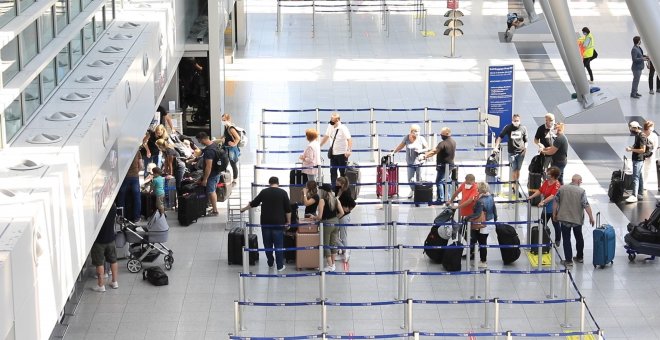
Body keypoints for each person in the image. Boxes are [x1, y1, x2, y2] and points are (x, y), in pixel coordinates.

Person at [240, 177, 292, 271]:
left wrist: (244, 209)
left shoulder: (264, 192)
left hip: (265, 222)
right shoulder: (283, 192)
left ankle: (270, 262)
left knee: (267, 244)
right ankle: (280, 266)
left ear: (269, 183)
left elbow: (254, 203)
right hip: (278, 223)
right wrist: (288, 221)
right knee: (278, 245)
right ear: (278, 183)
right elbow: (288, 210)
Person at [553, 174, 595, 267]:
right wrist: (591, 217)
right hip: (577, 219)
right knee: (579, 237)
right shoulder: (581, 191)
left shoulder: (562, 188)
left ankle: (568, 260)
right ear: (579, 181)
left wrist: (554, 213)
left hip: (564, 218)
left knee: (566, 239)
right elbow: (586, 205)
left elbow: (556, 201)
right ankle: (579, 257)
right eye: (581, 181)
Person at [391, 124, 429, 198]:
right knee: (410, 179)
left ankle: (418, 193)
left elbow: (427, 148)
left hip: (419, 162)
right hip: (410, 162)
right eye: (415, 131)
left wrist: (421, 150)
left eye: (418, 131)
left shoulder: (421, 138)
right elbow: (401, 146)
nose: (417, 133)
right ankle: (413, 190)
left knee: (419, 178)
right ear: (411, 131)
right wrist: (394, 151)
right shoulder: (407, 138)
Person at [493, 114, 527, 194]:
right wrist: (496, 146)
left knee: (518, 171)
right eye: (514, 120)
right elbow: (500, 137)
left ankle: (515, 185)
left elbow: (526, 140)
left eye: (517, 120)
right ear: (512, 120)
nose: (516, 122)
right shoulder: (508, 127)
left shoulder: (523, 128)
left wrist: (525, 148)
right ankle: (515, 187)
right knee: (513, 170)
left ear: (520, 120)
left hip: (521, 153)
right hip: (512, 152)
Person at [465, 182, 497, 268]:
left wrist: (467, 217)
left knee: (482, 242)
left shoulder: (480, 201)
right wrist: (495, 219)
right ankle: (480, 258)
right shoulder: (490, 197)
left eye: (478, 188)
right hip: (490, 221)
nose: (477, 189)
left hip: (483, 224)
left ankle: (483, 261)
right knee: (483, 241)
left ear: (480, 189)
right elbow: (494, 209)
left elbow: (477, 214)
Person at [196, 131, 229, 215]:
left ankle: (215, 211)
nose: (200, 142)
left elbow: (208, 166)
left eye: (199, 141)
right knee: (212, 190)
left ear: (203, 139)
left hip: (212, 174)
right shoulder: (213, 145)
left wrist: (205, 179)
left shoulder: (209, 152)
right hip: (217, 172)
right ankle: (213, 208)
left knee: (211, 191)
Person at [528, 166, 562, 245]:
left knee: (556, 225)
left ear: (553, 176)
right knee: (542, 224)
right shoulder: (546, 182)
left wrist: (543, 202)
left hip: (554, 209)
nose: (547, 175)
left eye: (549, 174)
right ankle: (542, 239)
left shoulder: (557, 184)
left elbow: (552, 196)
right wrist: (531, 196)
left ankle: (558, 240)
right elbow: (540, 190)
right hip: (546, 208)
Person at [315, 183, 344, 272]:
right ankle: (333, 264)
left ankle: (330, 265)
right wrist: (335, 219)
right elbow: (342, 212)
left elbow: (319, 217)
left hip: (326, 224)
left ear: (323, 191)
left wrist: (314, 217)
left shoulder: (322, 200)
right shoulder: (336, 199)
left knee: (326, 245)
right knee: (333, 244)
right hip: (336, 222)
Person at [423, 127, 456, 203]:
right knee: (447, 180)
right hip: (450, 165)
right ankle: (448, 197)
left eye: (442, 134)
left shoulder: (442, 143)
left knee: (439, 181)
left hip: (443, 166)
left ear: (447, 134)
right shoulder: (453, 142)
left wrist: (425, 156)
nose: (441, 135)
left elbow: (434, 151)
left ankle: (440, 199)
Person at [91, 204, 119, 292]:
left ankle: (101, 285)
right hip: (111, 239)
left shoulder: (96, 209)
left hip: (98, 241)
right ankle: (114, 282)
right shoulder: (113, 207)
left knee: (99, 263)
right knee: (113, 260)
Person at [319, 113, 352, 187]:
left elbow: (349, 139)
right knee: (333, 172)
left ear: (337, 120)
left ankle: (343, 190)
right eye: (331, 119)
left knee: (342, 173)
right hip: (333, 154)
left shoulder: (343, 128)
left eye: (333, 120)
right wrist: (319, 146)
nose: (331, 121)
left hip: (342, 154)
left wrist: (348, 150)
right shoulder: (330, 126)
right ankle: (334, 189)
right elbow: (326, 136)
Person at [334, 176, 356, 262]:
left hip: (344, 216)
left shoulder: (346, 192)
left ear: (342, 184)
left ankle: (345, 251)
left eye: (337, 183)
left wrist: (348, 209)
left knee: (343, 236)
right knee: (336, 234)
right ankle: (344, 250)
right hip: (339, 215)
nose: (336, 185)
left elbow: (353, 203)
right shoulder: (338, 190)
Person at [626, 121, 648, 203]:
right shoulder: (637, 135)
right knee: (640, 176)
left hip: (638, 159)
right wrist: (632, 147)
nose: (630, 130)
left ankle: (634, 195)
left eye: (631, 128)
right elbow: (637, 146)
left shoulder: (642, 136)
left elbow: (643, 150)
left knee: (635, 177)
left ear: (635, 128)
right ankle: (640, 193)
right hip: (636, 158)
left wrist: (631, 149)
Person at [117, 150, 141, 222]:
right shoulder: (137, 151)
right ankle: (136, 217)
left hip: (124, 177)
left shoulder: (121, 150)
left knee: (121, 197)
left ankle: (121, 217)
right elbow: (141, 165)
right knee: (137, 198)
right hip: (135, 177)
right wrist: (136, 171)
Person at [221, 113, 241, 182]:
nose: (222, 121)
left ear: (228, 119)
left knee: (233, 163)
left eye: (224, 120)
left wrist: (234, 143)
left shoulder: (231, 128)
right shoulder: (226, 127)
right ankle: (224, 177)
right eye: (222, 120)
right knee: (224, 161)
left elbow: (238, 138)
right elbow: (225, 135)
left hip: (232, 149)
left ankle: (235, 179)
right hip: (226, 147)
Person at [643, 121, 658, 191]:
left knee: (647, 170)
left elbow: (655, 146)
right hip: (642, 154)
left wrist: (651, 153)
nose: (651, 129)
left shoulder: (654, 135)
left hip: (650, 156)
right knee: (642, 169)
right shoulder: (643, 134)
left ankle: (645, 184)